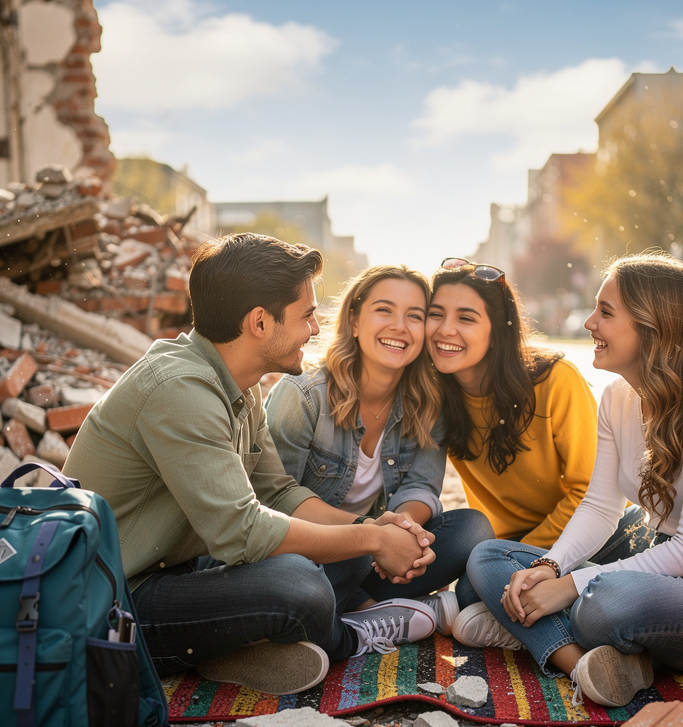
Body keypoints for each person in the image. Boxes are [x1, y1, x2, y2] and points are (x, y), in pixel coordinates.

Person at [62, 232, 442, 697]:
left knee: (406, 543)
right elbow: (241, 532)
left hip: (185, 574)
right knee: (300, 585)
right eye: (306, 316)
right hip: (118, 598)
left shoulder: (237, 386)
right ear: (260, 322)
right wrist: (369, 539)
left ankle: (236, 645)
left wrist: (372, 530)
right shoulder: (179, 391)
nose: (316, 330)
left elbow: (278, 493)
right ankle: (349, 636)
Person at [462, 250, 683, 708]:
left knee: (603, 604)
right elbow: (600, 506)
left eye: (606, 312)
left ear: (655, 327)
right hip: (656, 553)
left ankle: (525, 625)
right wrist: (550, 568)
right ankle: (576, 657)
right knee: (488, 556)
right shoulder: (618, 397)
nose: (589, 322)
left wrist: (571, 587)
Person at [423, 257, 650, 647]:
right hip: (503, 551)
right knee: (468, 593)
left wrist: (538, 563)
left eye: (466, 318)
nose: (446, 330)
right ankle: (558, 607)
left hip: (594, 534)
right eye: (435, 314)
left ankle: (550, 611)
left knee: (481, 583)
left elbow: (588, 493)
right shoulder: (433, 392)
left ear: (495, 332)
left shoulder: (554, 381)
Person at [265, 264, 493, 633]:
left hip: (375, 557)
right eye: (384, 310)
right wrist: (372, 533)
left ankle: (362, 608)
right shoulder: (303, 395)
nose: (399, 326)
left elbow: (421, 487)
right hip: (308, 553)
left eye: (414, 316)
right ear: (354, 320)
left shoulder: (429, 401)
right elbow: (276, 500)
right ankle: (375, 609)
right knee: (307, 574)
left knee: (474, 529)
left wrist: (402, 530)